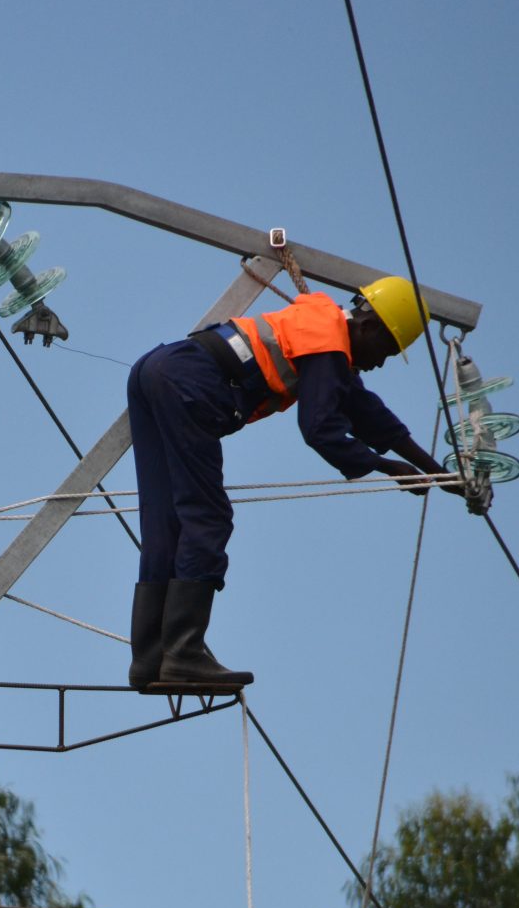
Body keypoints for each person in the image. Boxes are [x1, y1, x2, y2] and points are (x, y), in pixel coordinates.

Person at [126, 277, 458, 691]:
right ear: (370, 326)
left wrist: (440, 472)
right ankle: (183, 653)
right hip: (189, 384)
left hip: (156, 368)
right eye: (388, 351)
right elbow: (320, 428)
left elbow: (367, 413)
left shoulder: (320, 331)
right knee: (206, 518)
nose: (381, 363)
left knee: (166, 521)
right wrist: (386, 468)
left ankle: (150, 658)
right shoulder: (329, 345)